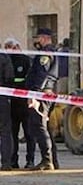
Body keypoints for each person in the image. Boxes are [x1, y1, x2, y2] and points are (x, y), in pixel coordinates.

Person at [25, 27, 60, 171]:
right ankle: (52, 160)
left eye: (38, 38)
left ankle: (47, 160)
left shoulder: (45, 54)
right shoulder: (49, 52)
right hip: (45, 93)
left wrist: (34, 95)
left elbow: (41, 75)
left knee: (38, 126)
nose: (37, 41)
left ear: (45, 38)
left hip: (41, 94)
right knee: (44, 128)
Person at [4, 38, 32, 169]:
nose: (10, 49)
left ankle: (30, 160)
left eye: (12, 47)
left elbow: (29, 78)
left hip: (24, 101)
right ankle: (13, 160)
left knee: (29, 133)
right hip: (12, 103)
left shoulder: (25, 60)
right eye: (7, 47)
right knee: (12, 133)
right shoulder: (6, 60)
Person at [0, 42, 14, 171]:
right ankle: (6, 163)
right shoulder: (4, 57)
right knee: (5, 131)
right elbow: (10, 77)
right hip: (2, 97)